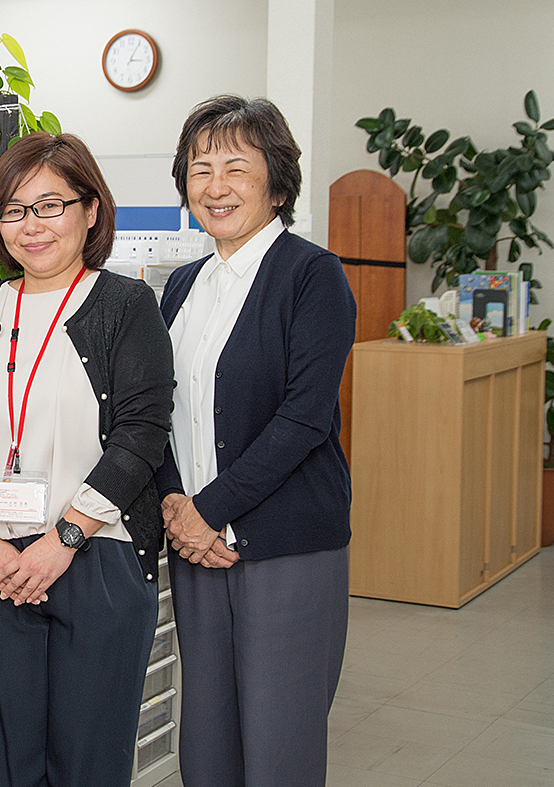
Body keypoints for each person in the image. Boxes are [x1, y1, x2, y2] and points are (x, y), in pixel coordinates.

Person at [0, 132, 173, 786]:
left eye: (50, 205)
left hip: (97, 556)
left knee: (87, 760)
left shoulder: (125, 306)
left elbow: (142, 432)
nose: (31, 226)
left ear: (91, 210)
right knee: (13, 759)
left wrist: (63, 538)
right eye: (14, 209)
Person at [156, 95, 355, 787]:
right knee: (206, 743)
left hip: (284, 547)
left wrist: (209, 508)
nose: (215, 186)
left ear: (276, 179)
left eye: (236, 167)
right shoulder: (182, 286)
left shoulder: (312, 275)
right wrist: (177, 507)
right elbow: (155, 410)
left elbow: (303, 418)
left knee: (279, 746)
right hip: (194, 547)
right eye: (199, 168)